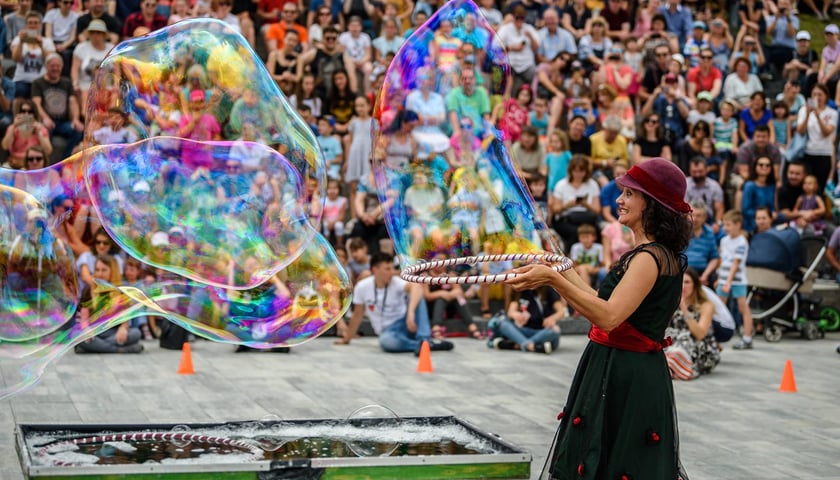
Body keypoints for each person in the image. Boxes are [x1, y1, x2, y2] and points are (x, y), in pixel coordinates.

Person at [504, 157, 692, 478]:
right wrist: (560, 268)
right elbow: (599, 302)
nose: (619, 200)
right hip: (619, 366)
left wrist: (553, 280)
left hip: (626, 372)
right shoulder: (652, 253)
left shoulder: (650, 257)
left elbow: (608, 317)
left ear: (653, 204)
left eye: (630, 194)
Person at [337, 252, 454, 354]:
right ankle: (425, 346)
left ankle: (424, 339)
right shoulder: (362, 287)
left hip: (406, 323)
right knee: (386, 342)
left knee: (418, 297)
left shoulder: (396, 282)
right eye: (387, 269)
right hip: (389, 332)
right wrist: (346, 339)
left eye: (392, 268)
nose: (391, 272)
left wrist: (411, 314)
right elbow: (357, 315)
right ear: (375, 270)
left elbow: (417, 287)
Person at [665, 267, 721, 380]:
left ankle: (673, 367)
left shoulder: (706, 305)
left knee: (680, 348)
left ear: (695, 285)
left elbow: (700, 334)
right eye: (680, 282)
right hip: (675, 342)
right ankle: (671, 367)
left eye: (687, 282)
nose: (683, 286)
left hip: (699, 347)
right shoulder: (671, 301)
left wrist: (684, 308)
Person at [717, 209, 755, 350]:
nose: (725, 228)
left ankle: (747, 337)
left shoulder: (741, 242)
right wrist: (720, 277)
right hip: (724, 279)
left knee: (742, 307)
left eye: (728, 225)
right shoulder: (724, 240)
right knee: (719, 307)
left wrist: (728, 281)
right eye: (724, 224)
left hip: (737, 280)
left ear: (738, 224)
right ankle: (716, 338)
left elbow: (736, 263)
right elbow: (723, 260)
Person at [488, 286, 563, 354]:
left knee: (555, 330)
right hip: (524, 330)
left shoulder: (548, 289)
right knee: (503, 323)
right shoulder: (520, 291)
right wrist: (518, 316)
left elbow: (561, 312)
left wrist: (552, 318)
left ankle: (517, 345)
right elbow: (511, 312)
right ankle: (533, 346)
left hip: (542, 331)